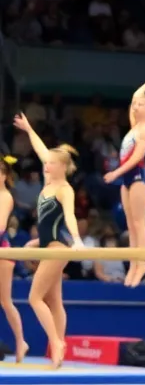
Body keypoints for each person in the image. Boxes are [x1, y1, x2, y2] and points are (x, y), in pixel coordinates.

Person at [12, 113, 83, 368]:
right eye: (47, 162)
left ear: (62, 167)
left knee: (34, 298)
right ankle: (59, 351)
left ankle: (56, 342)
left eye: (51, 163)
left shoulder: (65, 189)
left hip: (57, 248)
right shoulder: (48, 181)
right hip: (48, 246)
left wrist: (78, 240)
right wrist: (29, 128)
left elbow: (69, 216)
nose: (46, 165)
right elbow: (41, 150)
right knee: (53, 301)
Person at [103, 82, 145, 287]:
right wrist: (142, 88)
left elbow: (136, 158)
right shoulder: (134, 126)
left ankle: (142, 263)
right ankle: (134, 265)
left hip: (137, 177)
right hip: (127, 179)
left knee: (138, 223)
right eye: (135, 105)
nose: (136, 107)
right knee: (130, 225)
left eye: (141, 105)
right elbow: (133, 100)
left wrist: (115, 173)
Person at [0, 158, 25, 362]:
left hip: (3, 251)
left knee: (5, 301)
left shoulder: (5, 196)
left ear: (5, 176)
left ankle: (20, 341)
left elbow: (0, 227)